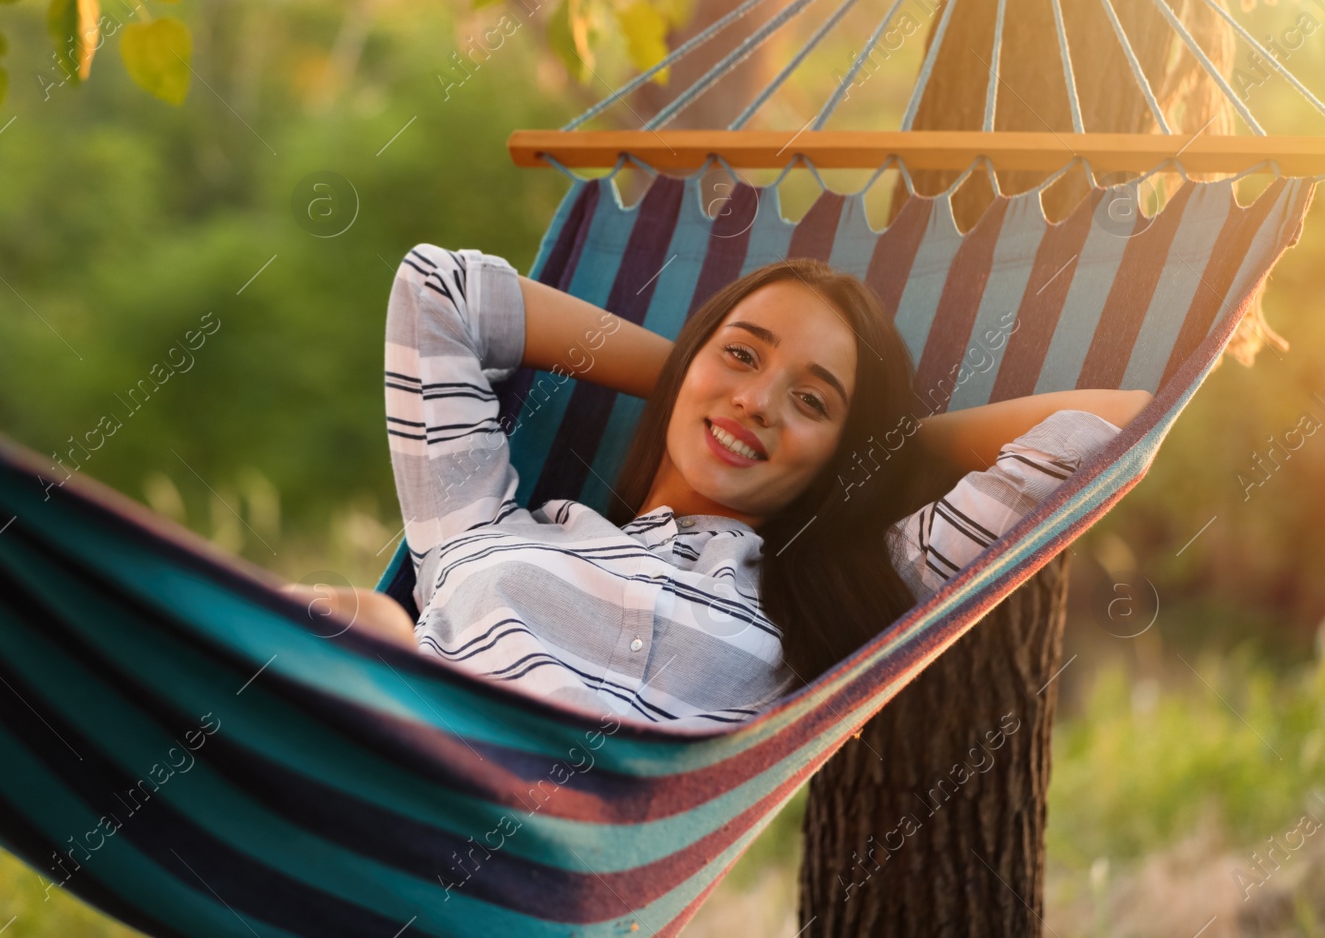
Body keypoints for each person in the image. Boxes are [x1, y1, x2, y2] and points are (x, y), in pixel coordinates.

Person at [293, 244, 1150, 729]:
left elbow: (1110, 428)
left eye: (812, 401)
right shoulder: (476, 521)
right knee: (365, 622)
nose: (758, 400)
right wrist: (686, 377)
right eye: (740, 352)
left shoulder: (828, 603)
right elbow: (436, 288)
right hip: (396, 771)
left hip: (579, 879)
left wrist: (875, 448)